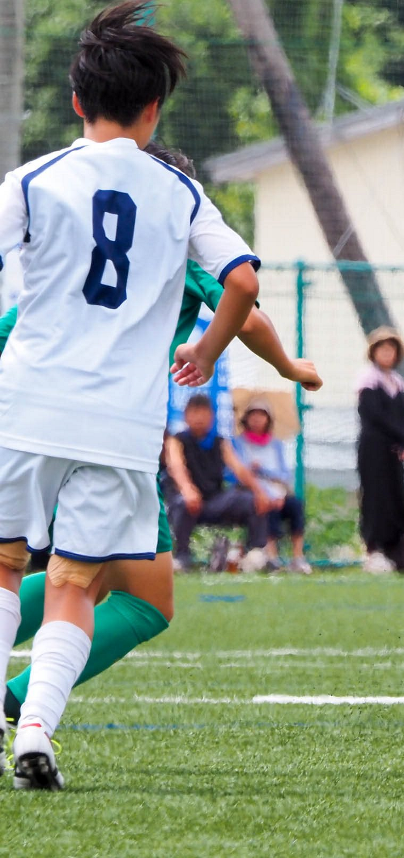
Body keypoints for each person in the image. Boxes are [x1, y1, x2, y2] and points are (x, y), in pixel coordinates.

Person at [0, 0, 260, 789]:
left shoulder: (29, 180)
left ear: (78, 101)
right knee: (77, 582)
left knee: (7, 567)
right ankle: (36, 729)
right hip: (123, 421)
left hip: (27, 400)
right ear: (154, 111)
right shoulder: (179, 193)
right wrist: (204, 349)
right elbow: (244, 280)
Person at [1, 141, 322, 733]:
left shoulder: (69, 261)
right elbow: (245, 305)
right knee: (137, 596)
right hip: (118, 435)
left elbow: (12, 328)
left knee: (50, 568)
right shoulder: (171, 243)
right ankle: (23, 706)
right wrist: (287, 366)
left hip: (34, 421)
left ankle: (21, 702)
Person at [165, 394, 273, 569]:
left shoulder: (220, 442)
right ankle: (182, 556)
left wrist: (260, 492)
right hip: (187, 501)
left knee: (252, 500)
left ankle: (255, 553)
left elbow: (239, 469)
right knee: (183, 503)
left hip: (214, 501)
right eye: (194, 413)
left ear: (212, 417)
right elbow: (176, 467)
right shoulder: (176, 441)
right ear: (186, 416)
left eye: (204, 413)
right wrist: (187, 489)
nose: (199, 418)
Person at [357, 328, 404, 574]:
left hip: (394, 452)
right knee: (375, 497)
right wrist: (400, 436)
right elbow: (373, 416)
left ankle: (399, 553)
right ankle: (374, 549)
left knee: (396, 497)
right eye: (382, 348)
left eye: (391, 348)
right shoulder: (368, 381)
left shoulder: (397, 382)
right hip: (374, 449)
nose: (387, 353)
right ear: (373, 352)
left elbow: (402, 417)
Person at [233, 397, 310, 573]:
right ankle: (272, 556)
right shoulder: (238, 443)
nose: (257, 420)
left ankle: (298, 557)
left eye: (261, 415)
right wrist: (250, 471)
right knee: (268, 508)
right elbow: (235, 474)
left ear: (268, 419)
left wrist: (268, 475)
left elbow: (284, 474)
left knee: (295, 505)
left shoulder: (276, 444)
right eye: (253, 415)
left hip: (277, 491)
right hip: (252, 492)